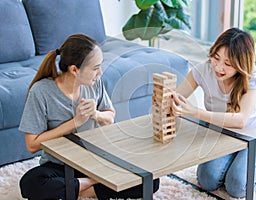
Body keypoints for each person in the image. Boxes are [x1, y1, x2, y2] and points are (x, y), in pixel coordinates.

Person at [19, 34, 159, 200]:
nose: (99, 72)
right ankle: (94, 184)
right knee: (30, 184)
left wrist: (96, 114)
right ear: (74, 70)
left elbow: (110, 117)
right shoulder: (41, 91)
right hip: (59, 165)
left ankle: (78, 188)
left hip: (95, 160)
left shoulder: (95, 83)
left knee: (151, 181)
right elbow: (32, 144)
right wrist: (76, 122)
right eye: (95, 68)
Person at [171, 28, 256, 198]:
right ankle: (236, 163)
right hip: (223, 134)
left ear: (241, 64)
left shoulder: (252, 76)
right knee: (207, 180)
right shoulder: (203, 70)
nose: (219, 67)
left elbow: (240, 120)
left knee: (237, 187)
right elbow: (176, 97)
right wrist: (168, 101)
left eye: (228, 64)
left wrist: (195, 112)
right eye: (216, 58)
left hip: (255, 136)